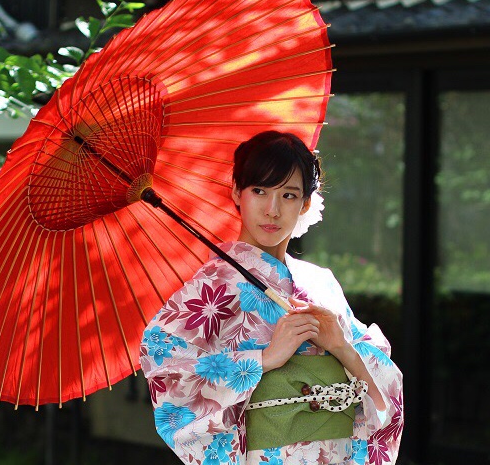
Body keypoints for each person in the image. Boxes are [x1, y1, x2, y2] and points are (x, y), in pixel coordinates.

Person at [139, 131, 403, 465]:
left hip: (339, 453)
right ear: (237, 192)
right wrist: (263, 359)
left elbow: (383, 389)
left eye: (289, 195)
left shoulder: (321, 282)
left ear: (306, 202)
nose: (272, 210)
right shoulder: (213, 287)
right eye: (259, 191)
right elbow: (167, 366)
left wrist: (342, 348)